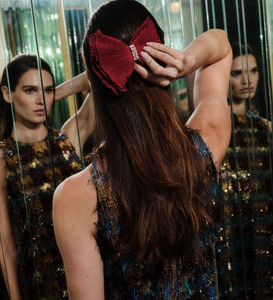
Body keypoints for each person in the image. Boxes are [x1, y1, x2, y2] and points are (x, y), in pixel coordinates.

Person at [52, 0, 232, 299]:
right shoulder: (207, 142)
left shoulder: (75, 195)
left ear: (94, 81)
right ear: (163, 56)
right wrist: (186, 62)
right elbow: (221, 44)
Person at [0, 54, 94, 299]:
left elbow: (97, 77)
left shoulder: (68, 139)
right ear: (7, 94)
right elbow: (7, 247)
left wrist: (58, 91)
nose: (41, 100)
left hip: (93, 274)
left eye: (47, 90)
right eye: (30, 90)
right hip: (43, 286)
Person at [217, 43, 273, 299]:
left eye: (253, 70)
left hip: (263, 233)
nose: (247, 79)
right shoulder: (216, 128)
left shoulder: (264, 129)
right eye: (237, 73)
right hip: (227, 232)